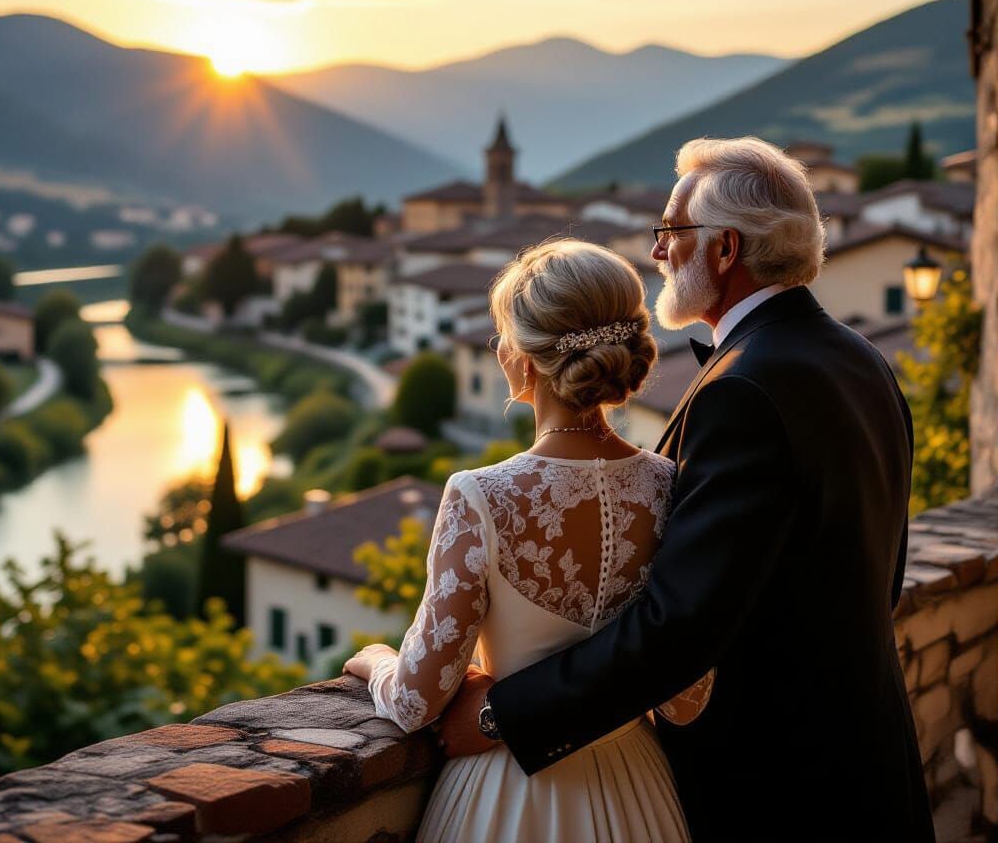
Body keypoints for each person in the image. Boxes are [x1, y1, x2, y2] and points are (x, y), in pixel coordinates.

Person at [435, 136, 935, 843]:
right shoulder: (863, 360)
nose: (659, 252)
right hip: (867, 757)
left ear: (725, 249)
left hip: (779, 788)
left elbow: (679, 628)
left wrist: (503, 714)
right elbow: (881, 576)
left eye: (671, 232)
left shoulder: (746, 392)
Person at [345, 238, 708, 842]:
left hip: (507, 794)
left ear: (523, 357)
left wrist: (377, 661)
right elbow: (686, 700)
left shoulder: (480, 494)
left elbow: (415, 702)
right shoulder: (671, 484)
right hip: (637, 791)